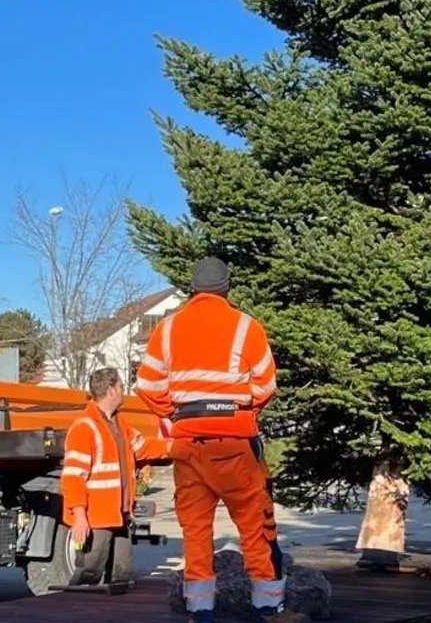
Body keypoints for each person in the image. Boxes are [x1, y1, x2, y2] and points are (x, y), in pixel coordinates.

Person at [135, 257, 292, 623]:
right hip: (236, 443)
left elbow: (147, 385)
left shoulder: (168, 329)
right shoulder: (246, 327)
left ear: (193, 288)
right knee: (256, 526)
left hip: (189, 445)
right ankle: (268, 608)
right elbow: (266, 384)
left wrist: (173, 413)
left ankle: (201, 612)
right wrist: (243, 409)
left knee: (196, 532)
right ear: (227, 288)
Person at [60, 367, 173, 566]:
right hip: (96, 518)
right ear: (111, 390)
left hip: (120, 515)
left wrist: (175, 446)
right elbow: (73, 477)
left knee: (121, 574)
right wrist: (79, 517)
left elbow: (143, 448)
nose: (124, 391)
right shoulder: (84, 427)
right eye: (121, 386)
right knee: (90, 573)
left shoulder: (120, 424)